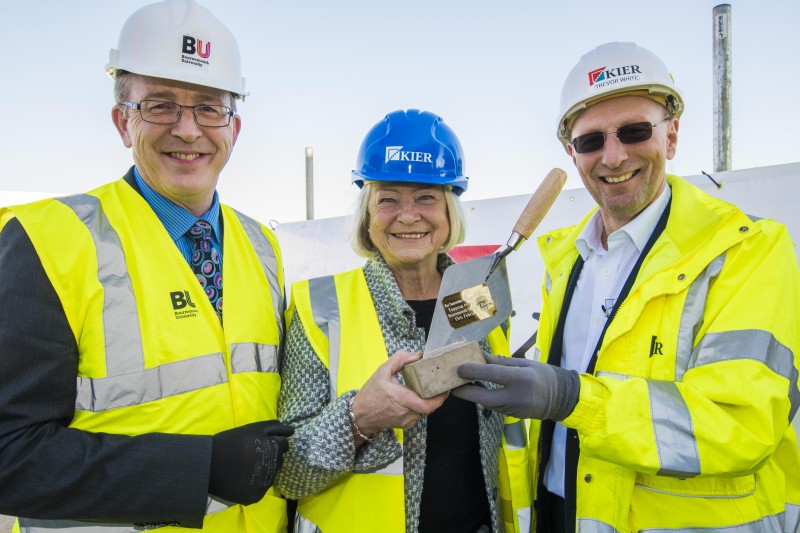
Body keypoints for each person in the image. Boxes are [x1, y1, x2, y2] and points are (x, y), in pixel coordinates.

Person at [454, 41, 800, 532]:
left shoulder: (747, 250)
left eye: (635, 131)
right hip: (562, 510)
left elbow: (740, 424)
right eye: (592, 141)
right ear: (572, 154)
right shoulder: (567, 258)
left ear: (672, 135)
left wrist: (571, 398)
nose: (613, 156)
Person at [0, 1, 293, 531]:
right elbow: (10, 454)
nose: (187, 130)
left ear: (235, 127)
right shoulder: (50, 240)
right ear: (122, 121)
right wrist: (199, 470)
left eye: (208, 107)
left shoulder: (262, 245)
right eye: (160, 105)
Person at [275, 109, 533, 532]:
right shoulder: (320, 306)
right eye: (389, 198)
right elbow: (289, 473)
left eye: (426, 197)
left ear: (450, 210)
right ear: (367, 214)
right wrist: (360, 418)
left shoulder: (478, 297)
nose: (408, 215)